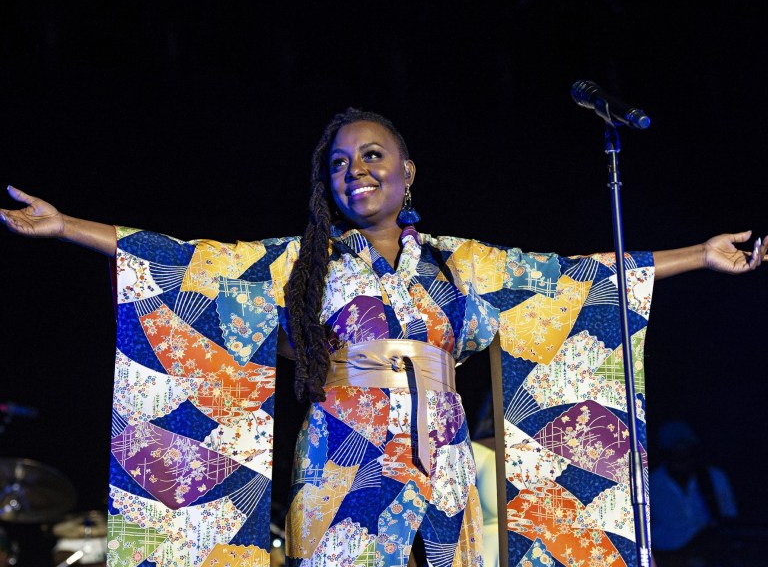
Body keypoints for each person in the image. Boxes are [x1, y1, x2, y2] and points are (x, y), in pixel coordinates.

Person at [1, 108, 765, 567]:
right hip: (346, 455)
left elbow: (574, 277)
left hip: (444, 455)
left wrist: (700, 254)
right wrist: (67, 226)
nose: (355, 170)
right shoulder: (310, 261)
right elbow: (192, 263)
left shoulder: (458, 262)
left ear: (407, 171)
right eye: (339, 163)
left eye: (371, 155)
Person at [650, 421, 738, 567]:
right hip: (663, 558)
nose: (682, 460)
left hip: (706, 556)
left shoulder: (714, 478)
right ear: (665, 454)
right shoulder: (650, 483)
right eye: (676, 453)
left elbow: (729, 519)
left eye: (686, 453)